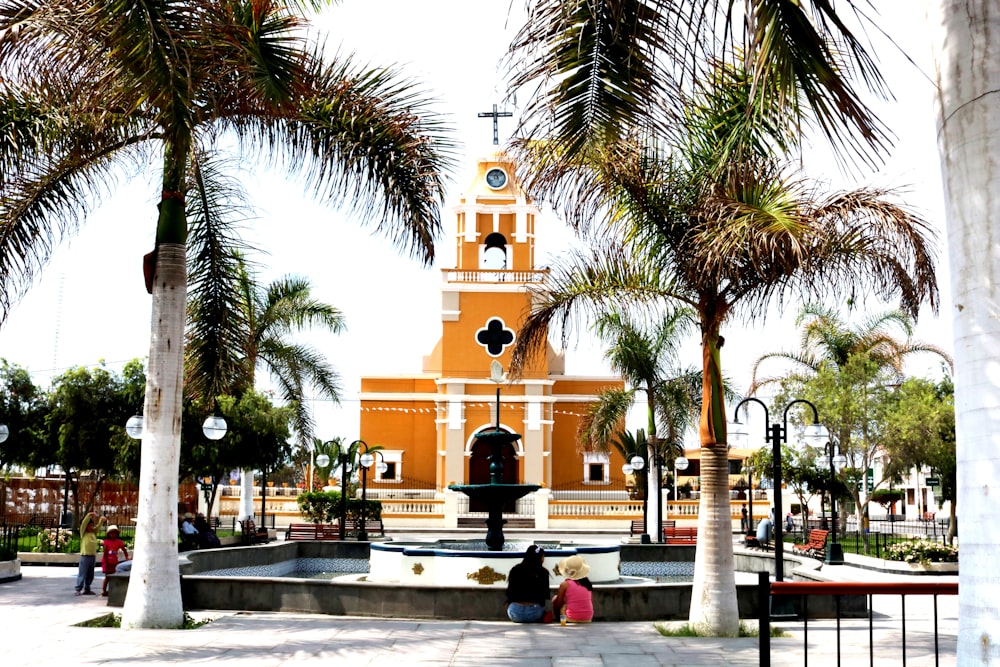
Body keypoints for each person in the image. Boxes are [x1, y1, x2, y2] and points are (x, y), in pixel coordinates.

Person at [505, 544, 551, 623]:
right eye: (543, 556)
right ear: (540, 558)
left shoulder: (515, 569)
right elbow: (545, 595)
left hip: (515, 614)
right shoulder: (543, 572)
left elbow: (509, 593)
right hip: (535, 613)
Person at [552, 554, 593, 623]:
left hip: (571, 619)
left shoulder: (565, 584)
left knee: (555, 600)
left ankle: (562, 622)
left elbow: (558, 603)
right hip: (588, 618)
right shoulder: (587, 584)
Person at [75, 512, 106, 596]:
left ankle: (87, 588)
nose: (91, 527)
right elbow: (83, 524)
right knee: (82, 573)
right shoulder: (83, 533)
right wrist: (89, 515)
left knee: (90, 574)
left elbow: (98, 528)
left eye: (92, 525)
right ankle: (78, 589)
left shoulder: (93, 533)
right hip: (85, 556)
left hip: (92, 556)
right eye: (90, 526)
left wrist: (101, 521)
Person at [100, 525, 128, 596]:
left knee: (114, 577)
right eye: (111, 533)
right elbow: (105, 552)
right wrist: (106, 562)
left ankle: (112, 590)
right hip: (107, 561)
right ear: (108, 534)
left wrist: (127, 557)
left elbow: (124, 549)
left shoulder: (119, 542)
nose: (113, 535)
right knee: (107, 577)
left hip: (114, 562)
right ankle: (104, 590)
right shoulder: (106, 542)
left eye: (115, 533)